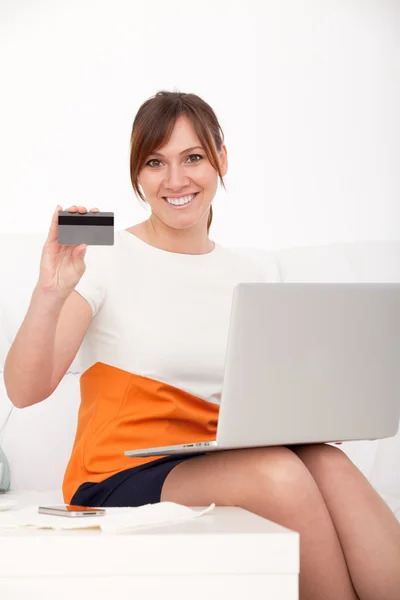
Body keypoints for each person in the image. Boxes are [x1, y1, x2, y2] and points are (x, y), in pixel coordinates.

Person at [4, 90, 400, 600]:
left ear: (221, 159)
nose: (176, 180)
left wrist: (309, 420)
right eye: (155, 162)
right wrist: (49, 293)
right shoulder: (105, 253)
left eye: (193, 157)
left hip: (213, 456)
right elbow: (24, 389)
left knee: (331, 464)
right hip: (118, 472)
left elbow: (266, 395)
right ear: (137, 175)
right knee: (279, 474)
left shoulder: (248, 272)